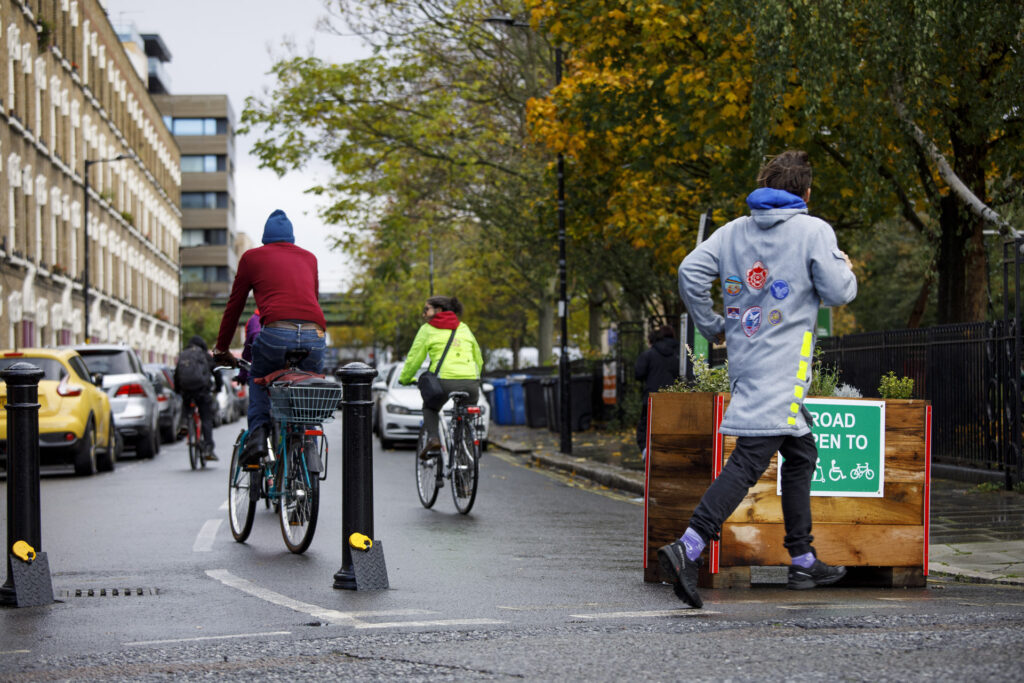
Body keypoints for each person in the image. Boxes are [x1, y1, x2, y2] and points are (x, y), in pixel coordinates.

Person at [658, 150, 857, 608]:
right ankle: (687, 546)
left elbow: (691, 271)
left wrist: (711, 326)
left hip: (749, 362)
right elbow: (838, 291)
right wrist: (844, 264)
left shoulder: (732, 232)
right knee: (749, 461)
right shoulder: (814, 230)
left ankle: (803, 560)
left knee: (803, 450)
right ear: (805, 192)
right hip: (784, 369)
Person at [212, 209, 327, 465]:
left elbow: (235, 306)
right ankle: (309, 444)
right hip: (314, 334)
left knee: (259, 378)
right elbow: (312, 300)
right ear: (291, 238)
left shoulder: (252, 258)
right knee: (307, 388)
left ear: (266, 238)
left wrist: (222, 348)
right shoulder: (309, 258)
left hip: (276, 332)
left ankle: (258, 434)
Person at [398, 296, 483, 458]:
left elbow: (414, 358)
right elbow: (477, 357)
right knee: (467, 418)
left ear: (439, 310)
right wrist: (476, 377)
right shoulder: (464, 328)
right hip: (471, 382)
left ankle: (434, 438)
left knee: (430, 407)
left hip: (444, 382)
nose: (423, 314)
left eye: (426, 309)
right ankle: (467, 466)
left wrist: (405, 378)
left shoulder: (427, 329)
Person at [635, 325, 680, 458]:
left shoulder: (649, 354)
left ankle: (646, 452)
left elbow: (638, 373)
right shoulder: (680, 353)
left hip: (652, 396)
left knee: (646, 425)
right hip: (674, 397)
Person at [174, 335, 220, 461]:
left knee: (186, 405)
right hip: (202, 390)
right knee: (206, 418)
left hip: (187, 390)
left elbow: (177, 374)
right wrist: (218, 388)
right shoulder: (204, 355)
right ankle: (208, 447)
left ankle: (184, 423)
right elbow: (216, 372)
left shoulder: (183, 355)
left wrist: (178, 390)